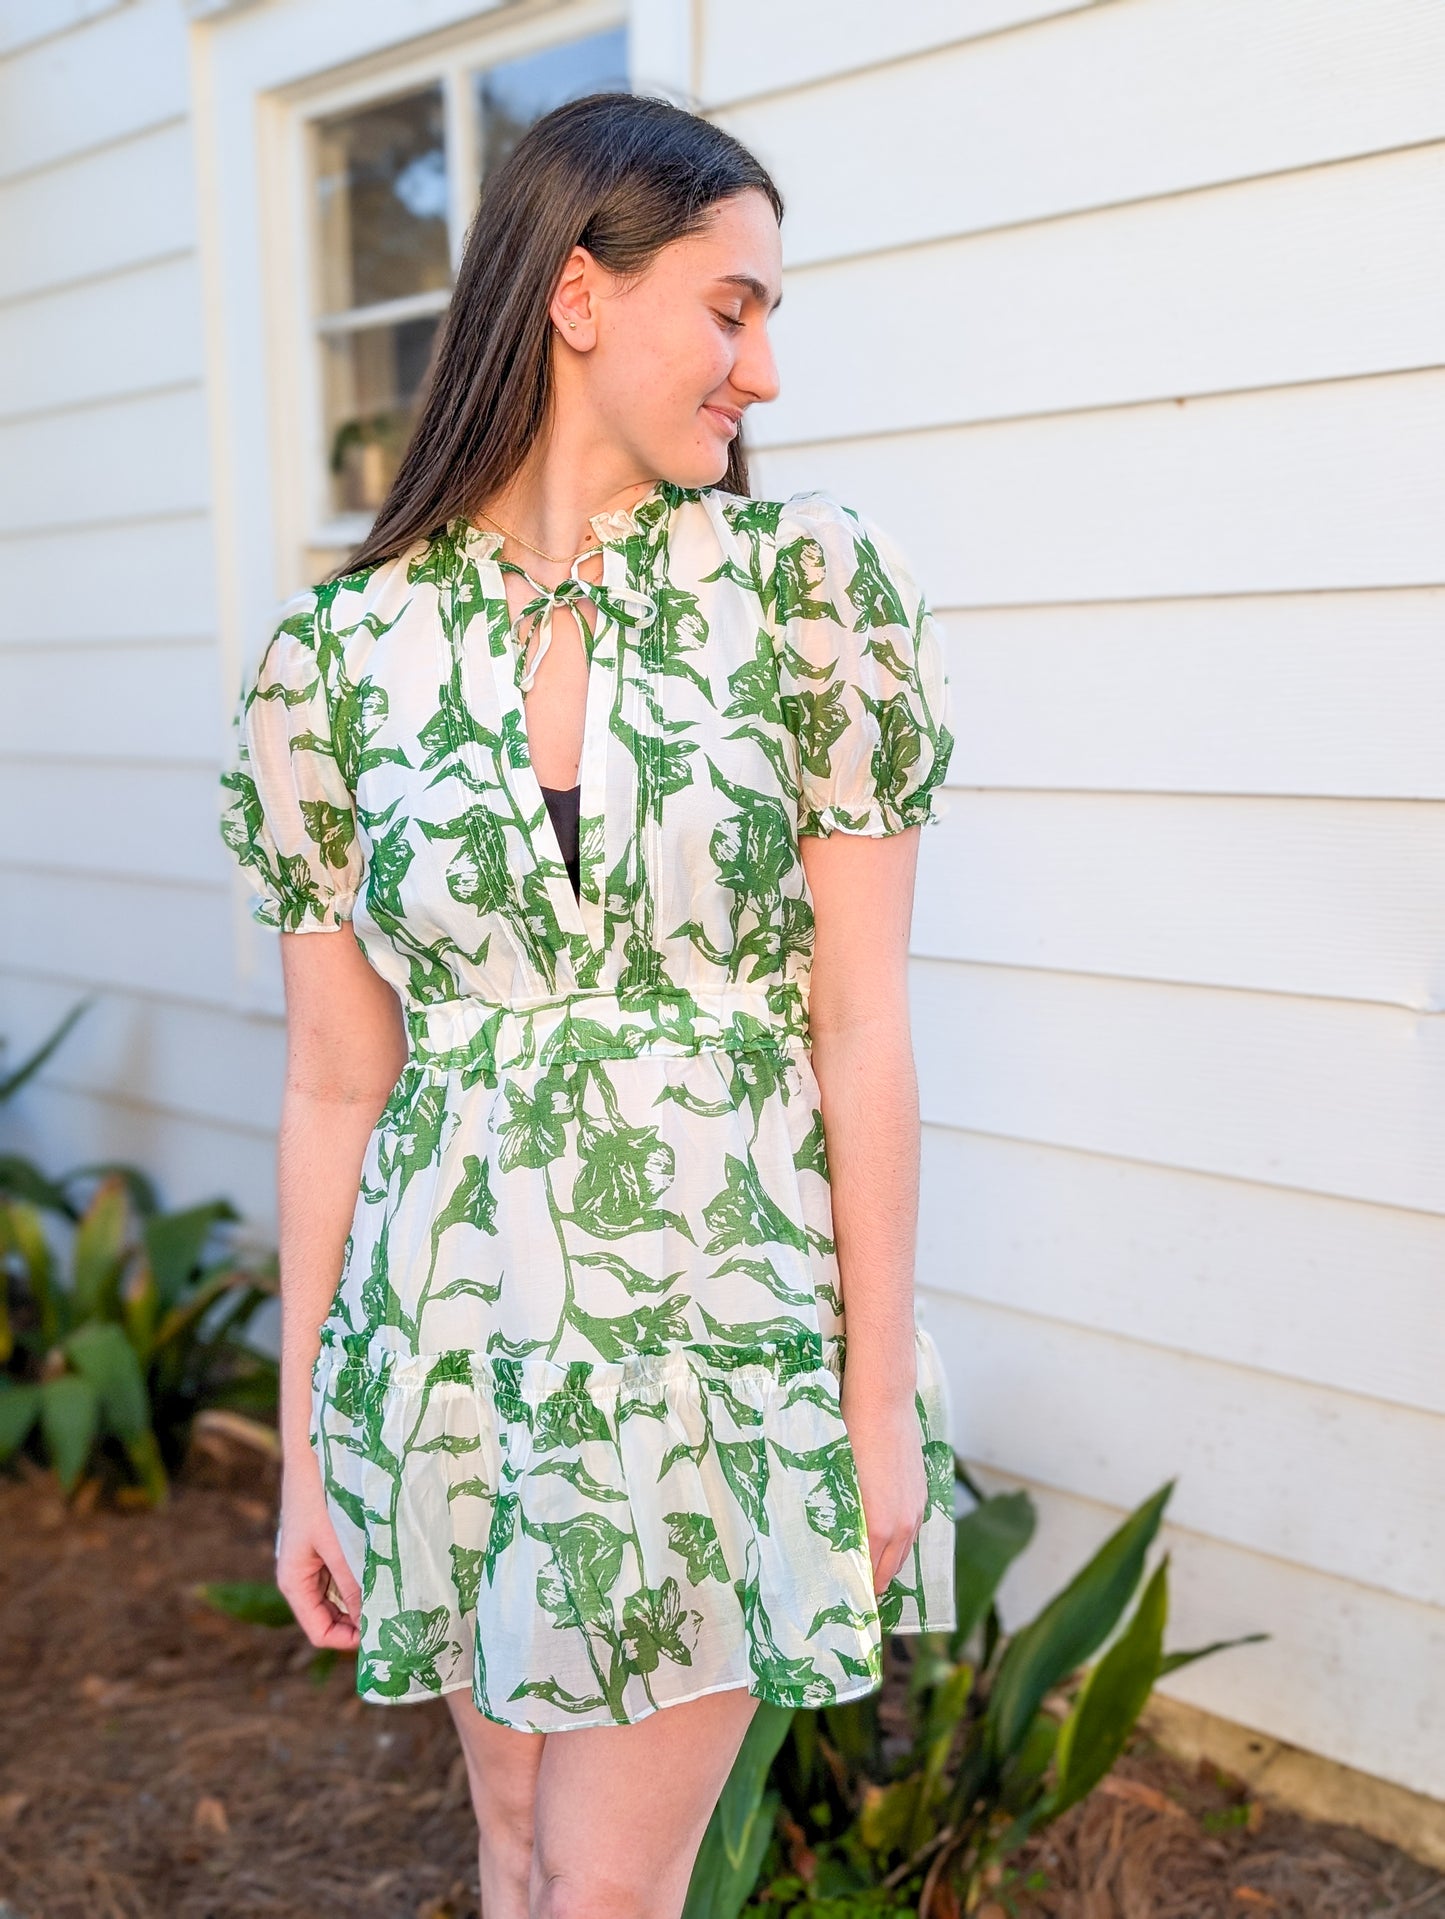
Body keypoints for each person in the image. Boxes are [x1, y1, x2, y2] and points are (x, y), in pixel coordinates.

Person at [220, 90, 956, 1919]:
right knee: (515, 1854)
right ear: (575, 294)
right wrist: (315, 1436)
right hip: (448, 1360)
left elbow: (860, 1023)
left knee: (606, 1893)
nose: (762, 370)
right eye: (732, 307)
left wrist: (871, 1397)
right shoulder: (336, 659)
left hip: (714, 1359)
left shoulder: (809, 598)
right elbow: (333, 1086)